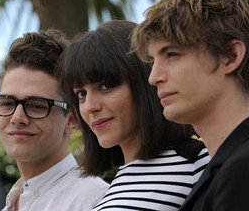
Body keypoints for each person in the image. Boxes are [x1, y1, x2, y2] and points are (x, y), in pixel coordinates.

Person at [131, 0, 249, 210]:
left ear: (231, 56)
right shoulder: (230, 166)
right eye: (152, 62)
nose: (153, 77)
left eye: (172, 54)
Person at [57, 20, 210, 210]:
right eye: (81, 94)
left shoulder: (200, 163)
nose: (90, 106)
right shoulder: (114, 186)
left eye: (105, 86)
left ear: (144, 84)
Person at [0, 29, 109, 211]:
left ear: (72, 120)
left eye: (36, 105)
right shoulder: (14, 201)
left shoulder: (94, 202)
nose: (17, 118)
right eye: (7, 103)